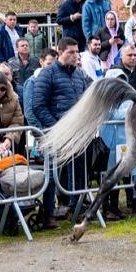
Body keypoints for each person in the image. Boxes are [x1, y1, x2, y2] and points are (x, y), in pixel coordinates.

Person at [31, 38, 91, 227]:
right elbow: (38, 105)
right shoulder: (47, 74)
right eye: (70, 52)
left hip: (77, 132)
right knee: (51, 175)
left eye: (76, 52)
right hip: (56, 132)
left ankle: (77, 207)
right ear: (60, 52)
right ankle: (48, 213)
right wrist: (57, 128)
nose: (75, 56)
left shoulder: (79, 75)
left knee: (79, 172)